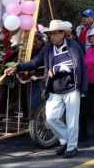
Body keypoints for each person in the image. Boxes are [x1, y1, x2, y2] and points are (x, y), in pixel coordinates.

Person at [6, 20, 87, 158]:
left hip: (72, 88)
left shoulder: (74, 46)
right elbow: (35, 62)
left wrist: (82, 87)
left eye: (55, 34)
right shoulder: (48, 48)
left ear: (63, 34)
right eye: (50, 34)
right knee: (51, 119)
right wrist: (18, 67)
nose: (52, 37)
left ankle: (71, 147)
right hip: (54, 89)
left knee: (72, 120)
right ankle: (65, 140)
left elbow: (80, 67)